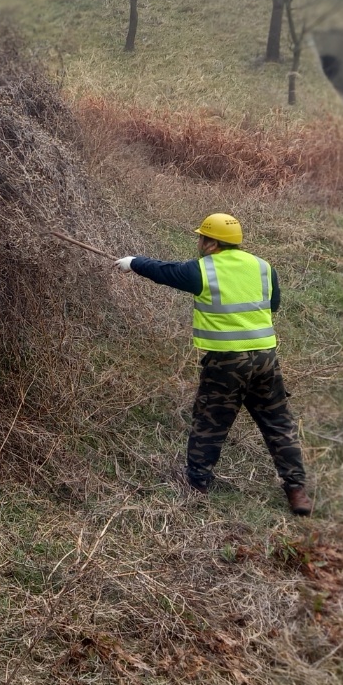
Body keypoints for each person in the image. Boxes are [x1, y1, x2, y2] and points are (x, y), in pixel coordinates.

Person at [114, 213, 313, 516]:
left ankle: (197, 484)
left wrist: (132, 262)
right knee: (278, 423)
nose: (199, 242)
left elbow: (165, 271)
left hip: (226, 362)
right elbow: (273, 305)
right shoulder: (263, 267)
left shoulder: (203, 270)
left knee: (210, 421)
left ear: (211, 242)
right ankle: (296, 490)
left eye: (201, 237)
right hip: (265, 359)